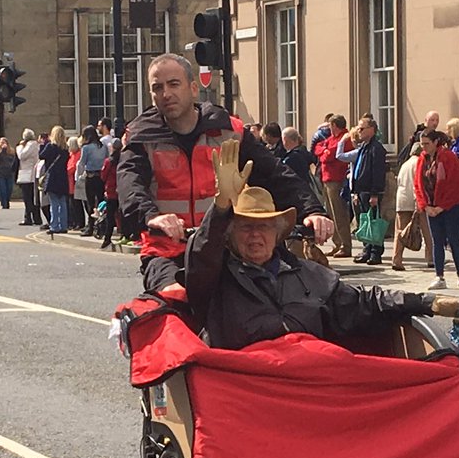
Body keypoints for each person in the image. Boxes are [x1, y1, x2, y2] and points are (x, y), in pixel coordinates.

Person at [183, 141, 459, 350]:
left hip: (308, 385)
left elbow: (365, 301)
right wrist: (221, 207)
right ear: (231, 235)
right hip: (244, 391)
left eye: (263, 227)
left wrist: (427, 303)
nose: (255, 236)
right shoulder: (218, 278)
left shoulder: (308, 275)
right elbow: (200, 258)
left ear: (277, 232)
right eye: (246, 227)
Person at [118, 53, 330, 291]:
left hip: (226, 246)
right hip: (169, 250)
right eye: (157, 88)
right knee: (173, 299)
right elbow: (130, 184)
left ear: (194, 88)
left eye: (174, 84)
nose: (166, 94)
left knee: (293, 291)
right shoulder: (141, 137)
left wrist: (311, 211)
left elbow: (275, 174)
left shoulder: (229, 132)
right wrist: (152, 216)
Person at [414, 129, 459, 291]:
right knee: (436, 242)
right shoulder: (421, 160)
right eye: (422, 144)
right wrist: (425, 205)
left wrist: (441, 207)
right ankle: (439, 276)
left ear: (435, 142)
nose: (424, 147)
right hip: (431, 207)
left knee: (454, 241)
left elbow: (455, 185)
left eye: (427, 144)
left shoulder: (448, 157)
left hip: (451, 207)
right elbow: (418, 184)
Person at [348, 115, 388, 265]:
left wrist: (375, 193)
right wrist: (356, 192)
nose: (359, 131)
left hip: (371, 191)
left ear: (371, 130)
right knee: (364, 221)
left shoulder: (376, 148)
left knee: (374, 221)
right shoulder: (364, 147)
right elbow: (358, 169)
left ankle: (375, 252)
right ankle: (366, 249)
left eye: (362, 128)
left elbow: (377, 172)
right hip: (361, 191)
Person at [314, 114, 352, 258]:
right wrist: (324, 151)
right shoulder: (332, 139)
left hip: (337, 179)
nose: (329, 128)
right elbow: (317, 148)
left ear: (335, 126)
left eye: (330, 126)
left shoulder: (345, 138)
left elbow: (330, 156)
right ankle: (337, 243)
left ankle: (345, 245)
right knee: (332, 214)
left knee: (339, 214)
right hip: (327, 178)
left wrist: (325, 152)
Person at [390, 142, 433, 272]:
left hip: (402, 200)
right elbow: (418, 184)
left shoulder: (405, 164)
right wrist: (419, 203)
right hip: (417, 201)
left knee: (401, 231)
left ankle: (396, 259)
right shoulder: (420, 163)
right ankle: (431, 258)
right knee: (427, 231)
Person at [77, 126, 107, 236]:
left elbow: (81, 163)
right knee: (101, 202)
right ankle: (101, 226)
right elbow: (107, 160)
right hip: (101, 177)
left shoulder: (86, 148)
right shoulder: (103, 146)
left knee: (90, 203)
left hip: (90, 176)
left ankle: (90, 227)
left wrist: (79, 175)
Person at [40, 126, 70, 233]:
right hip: (63, 177)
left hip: (52, 177)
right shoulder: (66, 149)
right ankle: (63, 226)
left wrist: (42, 144)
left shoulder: (50, 147)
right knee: (62, 202)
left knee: (54, 203)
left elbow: (41, 156)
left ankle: (54, 226)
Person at [99, 138, 122, 248]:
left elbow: (103, 176)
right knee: (121, 214)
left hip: (111, 191)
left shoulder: (108, 161)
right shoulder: (123, 160)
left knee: (110, 216)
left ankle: (107, 239)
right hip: (122, 191)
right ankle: (124, 234)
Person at [16, 128, 41, 226]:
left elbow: (22, 156)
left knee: (28, 198)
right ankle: (34, 218)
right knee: (32, 198)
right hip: (31, 174)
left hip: (28, 175)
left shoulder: (31, 145)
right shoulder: (35, 144)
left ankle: (29, 218)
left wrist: (19, 147)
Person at [0, 137, 18, 210]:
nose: (3, 144)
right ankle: (4, 204)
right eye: (1, 142)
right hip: (0, 173)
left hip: (9, 173)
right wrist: (3, 150)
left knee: (9, 189)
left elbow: (14, 160)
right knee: (3, 189)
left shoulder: (11, 151)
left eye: (4, 142)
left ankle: (7, 201)